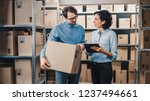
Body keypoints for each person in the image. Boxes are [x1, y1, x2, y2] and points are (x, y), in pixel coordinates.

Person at [40, 6, 85, 84]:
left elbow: (83, 42)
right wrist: (42, 58)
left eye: (75, 17)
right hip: (62, 63)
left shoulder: (80, 28)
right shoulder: (57, 28)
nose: (74, 20)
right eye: (71, 19)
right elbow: (48, 45)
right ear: (65, 18)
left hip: (76, 62)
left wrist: (82, 45)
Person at [87, 10, 117, 84]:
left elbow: (114, 55)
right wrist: (88, 50)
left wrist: (103, 51)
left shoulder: (112, 34)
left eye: (96, 19)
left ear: (103, 21)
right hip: (93, 65)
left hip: (105, 67)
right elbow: (89, 53)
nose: (93, 21)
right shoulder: (93, 33)